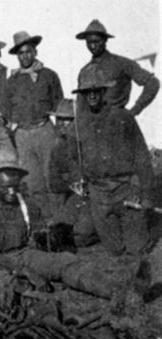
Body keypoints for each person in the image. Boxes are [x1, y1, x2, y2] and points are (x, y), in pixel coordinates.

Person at [0, 150, 140, 299]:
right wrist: (24, 271)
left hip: (25, 254)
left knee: (66, 261)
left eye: (15, 186)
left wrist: (48, 237)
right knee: (4, 289)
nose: (11, 192)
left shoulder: (24, 202)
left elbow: (40, 230)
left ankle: (122, 289)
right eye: (5, 187)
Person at [63, 65, 153, 255]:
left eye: (97, 91)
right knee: (114, 250)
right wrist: (78, 179)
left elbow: (142, 155)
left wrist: (143, 192)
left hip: (126, 190)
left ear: (104, 92)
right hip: (98, 196)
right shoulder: (78, 126)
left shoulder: (123, 118)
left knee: (138, 249)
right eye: (88, 92)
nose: (93, 96)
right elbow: (72, 158)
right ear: (83, 95)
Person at [1, 31, 63, 218]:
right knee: (33, 182)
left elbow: (59, 104)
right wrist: (14, 130)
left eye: (29, 52)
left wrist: (59, 133)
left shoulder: (49, 75)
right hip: (23, 136)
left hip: (45, 131)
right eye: (21, 53)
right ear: (17, 56)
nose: (25, 56)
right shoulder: (11, 81)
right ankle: (45, 222)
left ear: (35, 52)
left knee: (53, 178)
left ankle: (61, 221)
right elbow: (5, 111)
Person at [76, 19, 159, 116]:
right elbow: (80, 105)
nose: (93, 46)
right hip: (93, 125)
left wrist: (135, 110)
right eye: (89, 42)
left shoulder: (121, 64)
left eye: (96, 41)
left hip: (118, 123)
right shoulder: (84, 72)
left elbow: (152, 83)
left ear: (105, 40)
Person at [47, 99, 97, 248]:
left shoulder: (92, 143)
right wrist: (72, 186)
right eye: (58, 119)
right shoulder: (58, 148)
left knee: (82, 233)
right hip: (76, 197)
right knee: (58, 229)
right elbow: (53, 184)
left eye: (67, 120)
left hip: (97, 198)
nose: (61, 124)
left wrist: (90, 186)